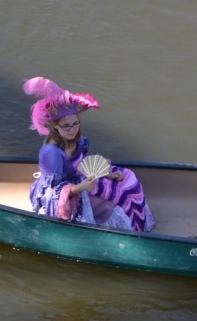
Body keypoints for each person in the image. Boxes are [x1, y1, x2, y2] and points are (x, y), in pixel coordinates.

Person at [23, 76, 155, 232]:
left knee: (128, 178)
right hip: (64, 193)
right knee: (113, 203)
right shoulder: (52, 153)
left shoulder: (76, 140)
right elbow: (56, 190)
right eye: (66, 126)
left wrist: (106, 174)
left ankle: (139, 225)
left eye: (75, 124)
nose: (72, 130)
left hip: (80, 179)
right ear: (55, 127)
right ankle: (127, 234)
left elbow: (82, 164)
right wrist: (79, 187)